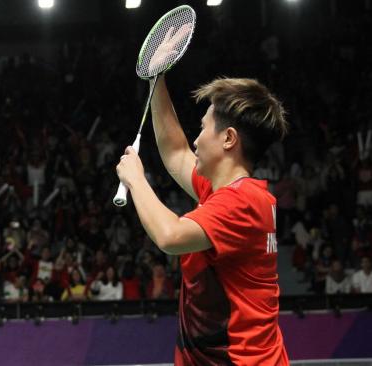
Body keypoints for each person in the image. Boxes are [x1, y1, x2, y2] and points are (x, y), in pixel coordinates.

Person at [116, 27, 290, 364]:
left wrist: (136, 179)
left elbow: (170, 236)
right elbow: (175, 151)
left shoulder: (241, 204)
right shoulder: (230, 193)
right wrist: (157, 80)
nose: (196, 140)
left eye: (203, 128)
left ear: (228, 139)